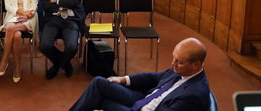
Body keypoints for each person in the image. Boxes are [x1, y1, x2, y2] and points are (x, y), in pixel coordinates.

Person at [69, 37, 210, 111]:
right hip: (143, 99)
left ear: (196, 65)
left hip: (145, 108)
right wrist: (123, 79)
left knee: (99, 99)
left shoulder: (194, 95)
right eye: (174, 58)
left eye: (179, 61)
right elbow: (154, 77)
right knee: (99, 83)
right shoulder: (182, 70)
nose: (173, 64)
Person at [39, 0, 84, 79]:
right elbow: (45, 4)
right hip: (54, 18)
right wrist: (67, 2)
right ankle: (64, 64)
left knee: (72, 47)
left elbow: (76, 1)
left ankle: (56, 66)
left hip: (71, 19)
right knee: (44, 46)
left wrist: (57, 1)